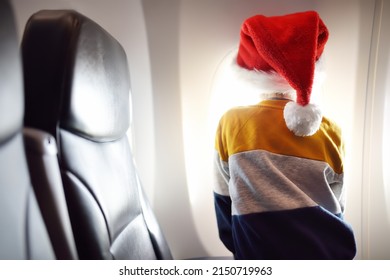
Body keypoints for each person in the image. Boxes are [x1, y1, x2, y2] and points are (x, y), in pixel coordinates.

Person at [213, 10, 356, 259]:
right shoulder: (332, 130)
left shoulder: (231, 123)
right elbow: (338, 204)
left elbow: (223, 199)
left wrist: (241, 249)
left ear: (251, 74)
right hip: (332, 254)